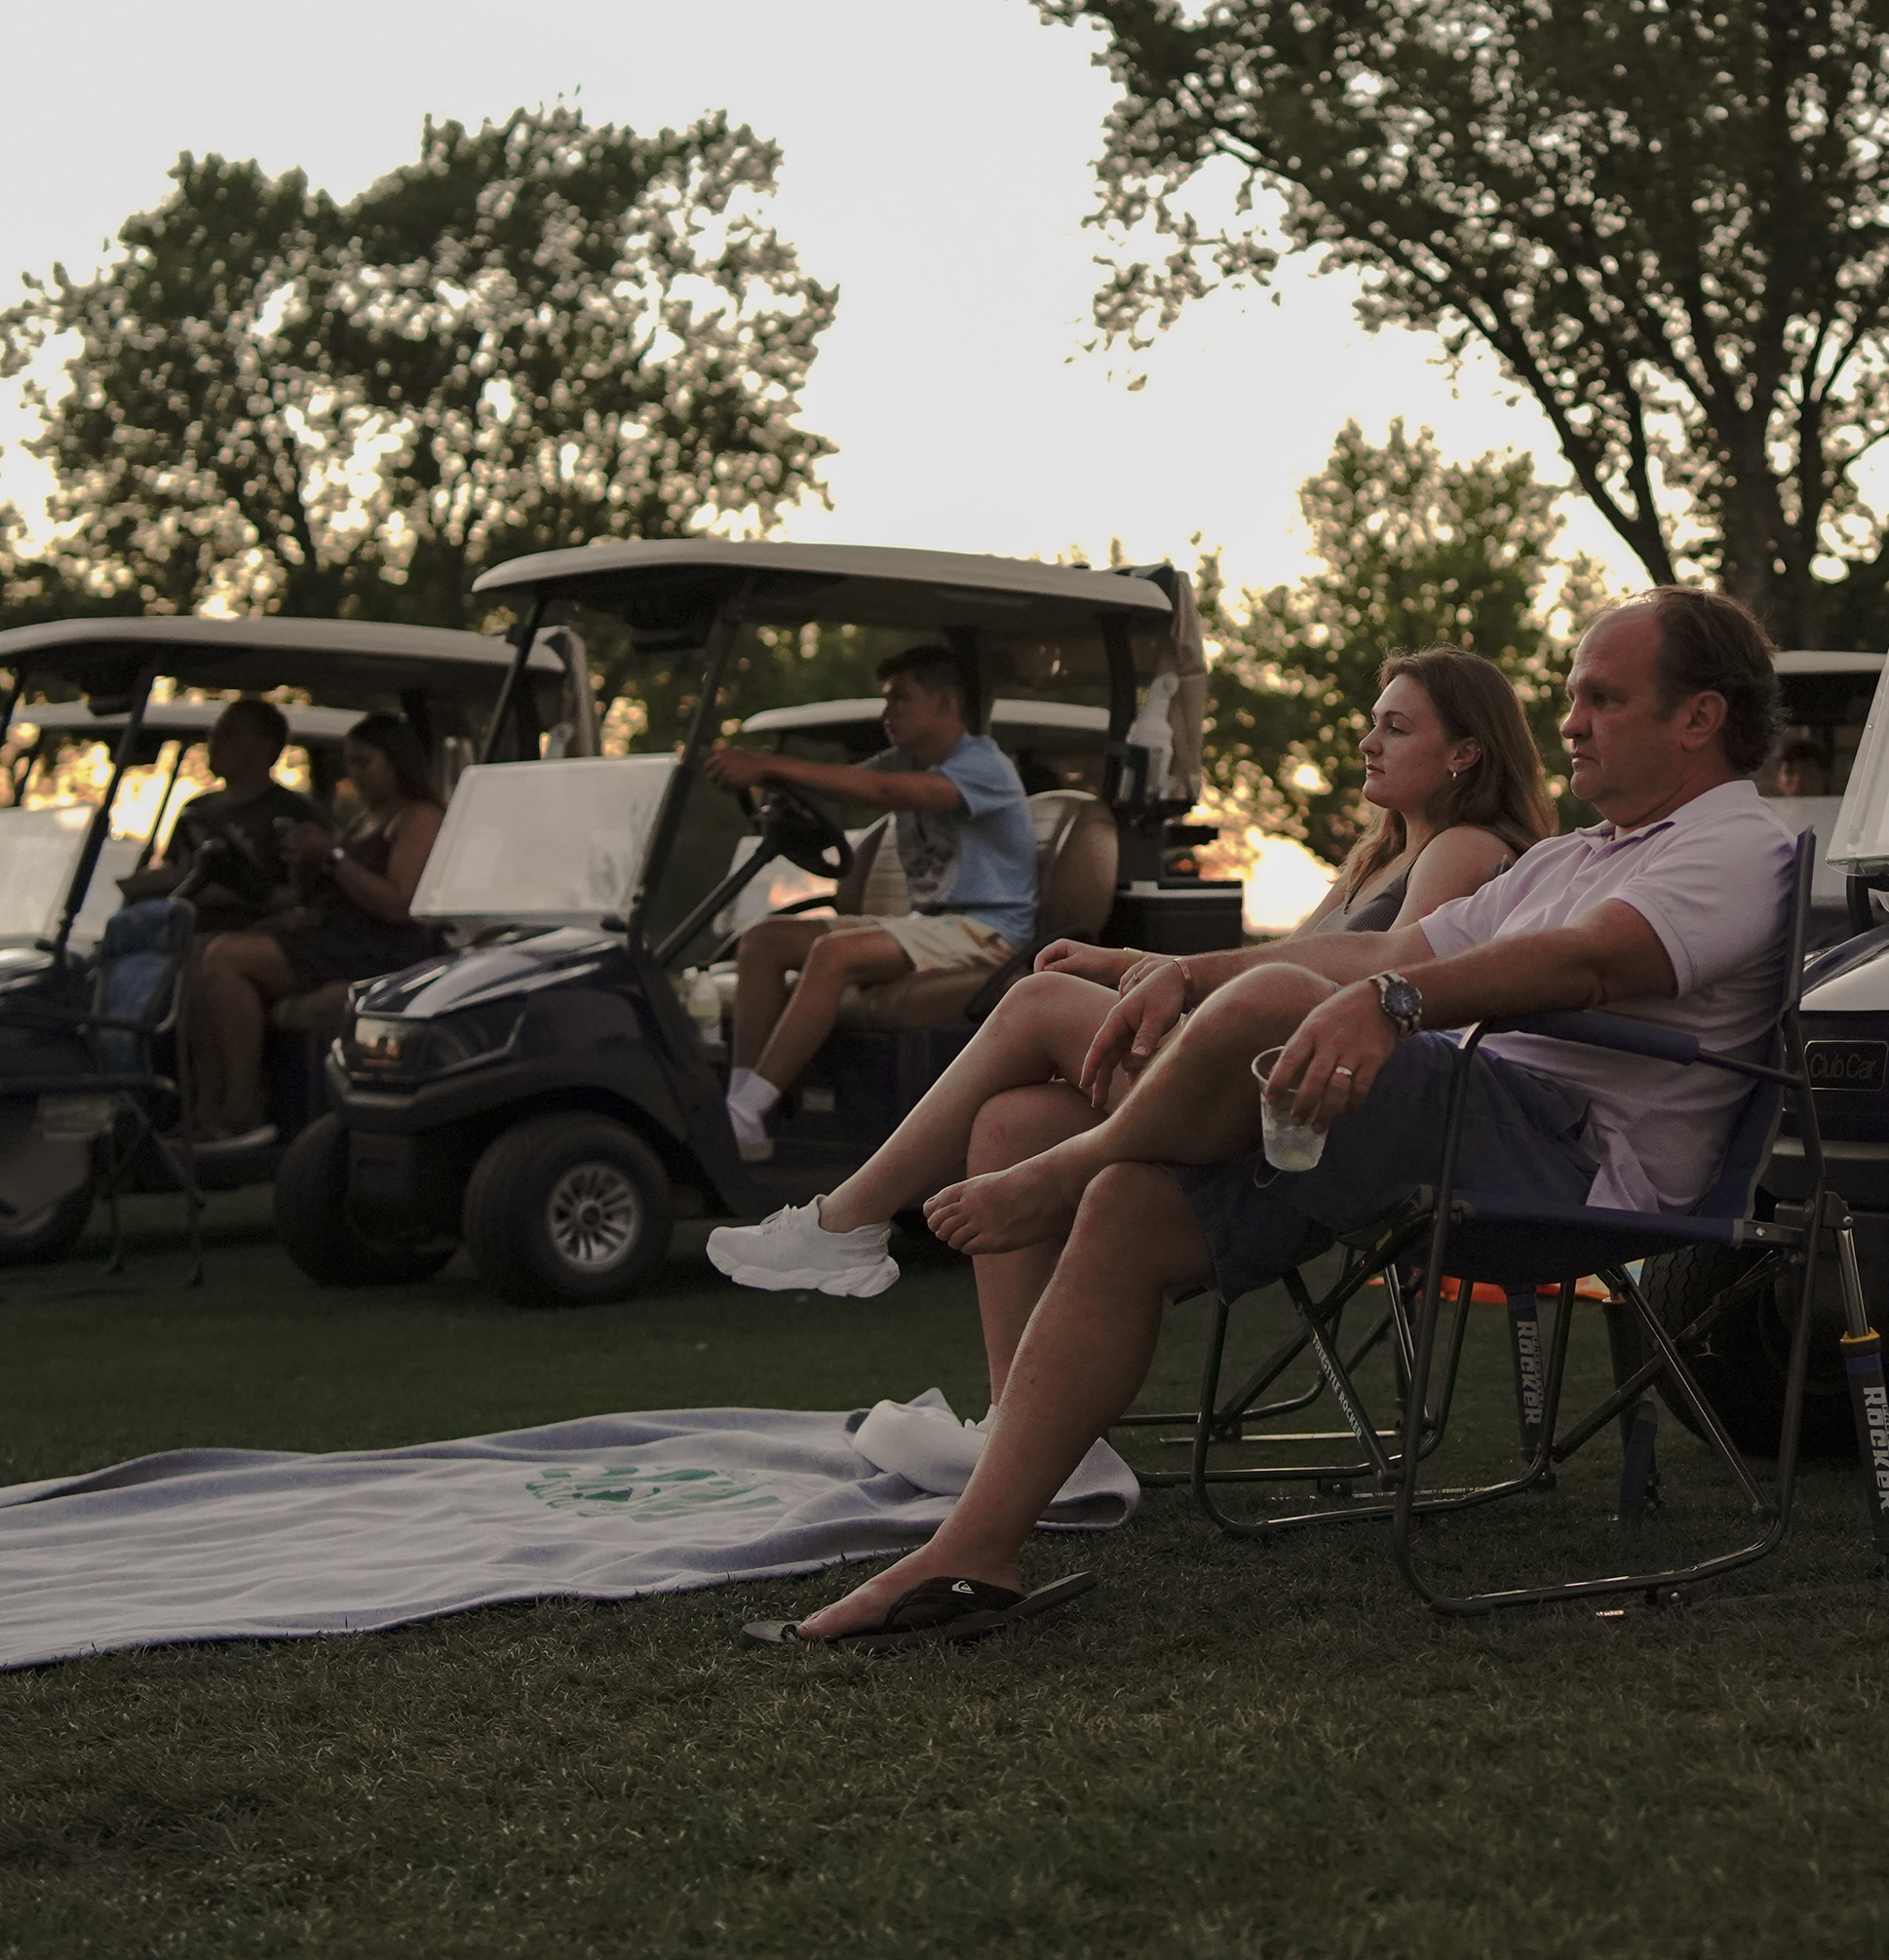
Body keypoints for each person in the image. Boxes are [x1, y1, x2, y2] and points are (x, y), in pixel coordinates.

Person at [747, 588, 1795, 1648]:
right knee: (1131, 1201)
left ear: (1699, 718)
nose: (1570, 721)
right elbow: (1387, 953)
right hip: (1443, 1115)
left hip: (1569, 1156)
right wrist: (1180, 971)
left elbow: (1589, 962)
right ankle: (974, 1554)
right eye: (1571, 697)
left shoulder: (1730, 845)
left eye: (1603, 699)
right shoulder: (1573, 856)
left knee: (1273, 1011)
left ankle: (1068, 1162)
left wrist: (1384, 1007)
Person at [708, 647, 1556, 1299]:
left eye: (1396, 728)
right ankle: (1021, 1424)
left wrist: (1168, 974)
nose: (1368, 741)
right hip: (1248, 1078)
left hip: (1317, 1110)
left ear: (1465, 755)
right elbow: (1279, 968)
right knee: (1008, 1121)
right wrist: (1132, 964)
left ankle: (846, 1221)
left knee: (1037, 998)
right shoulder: (1377, 856)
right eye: (1374, 722)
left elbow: (1384, 976)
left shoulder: (1467, 847)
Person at [704, 647, 1036, 1163]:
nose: (888, 714)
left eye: (902, 699)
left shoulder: (982, 765)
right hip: (931, 923)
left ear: (947, 704)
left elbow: (879, 790)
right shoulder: (907, 760)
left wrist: (767, 762)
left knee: (835, 955)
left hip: (987, 931)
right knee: (764, 941)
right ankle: (741, 1110)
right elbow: (848, 784)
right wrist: (774, 786)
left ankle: (747, 1110)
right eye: (887, 701)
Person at [180, 713, 447, 1139]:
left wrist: (333, 859)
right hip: (333, 936)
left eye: (365, 763)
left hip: (377, 946)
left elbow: (400, 904)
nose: (353, 775)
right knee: (198, 953)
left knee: (226, 959)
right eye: (349, 764)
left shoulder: (417, 819)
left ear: (397, 763)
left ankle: (243, 1110)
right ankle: (206, 1105)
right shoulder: (363, 821)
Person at [123, 698, 322, 934]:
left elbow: (312, 896)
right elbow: (176, 866)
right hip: (182, 929)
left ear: (266, 746)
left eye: (230, 735)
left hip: (251, 937)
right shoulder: (196, 809)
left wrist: (239, 893)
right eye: (212, 735)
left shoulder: (295, 813)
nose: (214, 744)